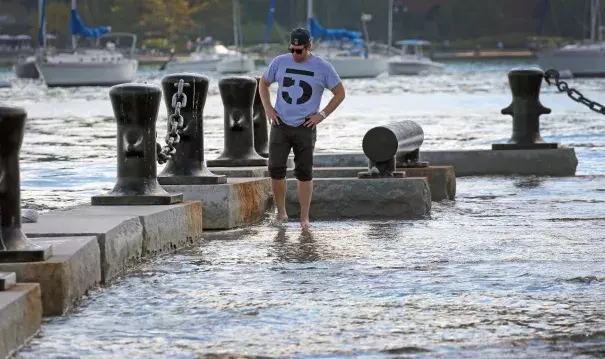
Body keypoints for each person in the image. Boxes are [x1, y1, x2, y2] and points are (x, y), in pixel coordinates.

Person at [259, 28, 346, 230]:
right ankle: (282, 213)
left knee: (304, 173)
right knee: (276, 170)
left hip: (305, 126)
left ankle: (304, 218)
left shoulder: (323, 67)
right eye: (293, 50)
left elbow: (340, 93)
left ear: (309, 46)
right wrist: (269, 109)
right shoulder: (280, 61)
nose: (295, 54)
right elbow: (263, 84)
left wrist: (321, 115)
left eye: (300, 51)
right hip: (280, 123)